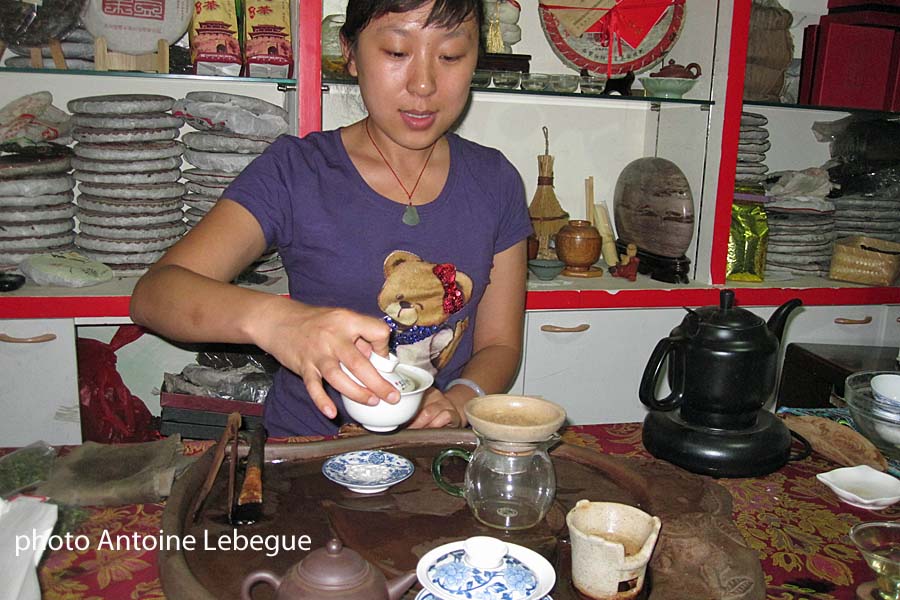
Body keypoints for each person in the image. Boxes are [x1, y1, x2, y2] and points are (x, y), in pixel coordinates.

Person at [130, 0, 532, 437]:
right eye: (397, 52)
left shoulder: (496, 181)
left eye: (451, 56)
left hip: (435, 451)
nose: (424, 84)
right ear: (351, 53)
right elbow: (155, 294)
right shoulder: (296, 171)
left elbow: (499, 344)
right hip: (311, 454)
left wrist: (459, 400)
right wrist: (281, 323)